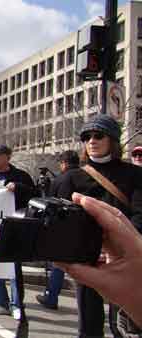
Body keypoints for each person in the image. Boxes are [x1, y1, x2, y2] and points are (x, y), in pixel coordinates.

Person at [51, 114, 142, 338]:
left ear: (112, 139)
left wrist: (120, 247)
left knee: (124, 324)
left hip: (125, 256)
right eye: (87, 136)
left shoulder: (136, 175)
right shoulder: (69, 179)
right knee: (89, 324)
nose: (92, 140)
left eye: (98, 135)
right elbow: (60, 221)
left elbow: (140, 214)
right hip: (85, 255)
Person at [57, 193, 142, 334]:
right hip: (125, 253)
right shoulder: (135, 176)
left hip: (88, 255)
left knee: (90, 316)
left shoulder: (74, 177)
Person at [0, 144, 36, 320]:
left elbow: (35, 195)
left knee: (13, 268)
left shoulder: (21, 176)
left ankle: (17, 305)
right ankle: (0, 301)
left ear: (8, 157)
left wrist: (19, 187)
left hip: (14, 228)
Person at [36, 149, 80, 310]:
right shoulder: (86, 177)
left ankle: (51, 297)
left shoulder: (60, 180)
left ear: (64, 163)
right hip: (83, 228)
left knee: (57, 265)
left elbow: (49, 202)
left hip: (61, 227)